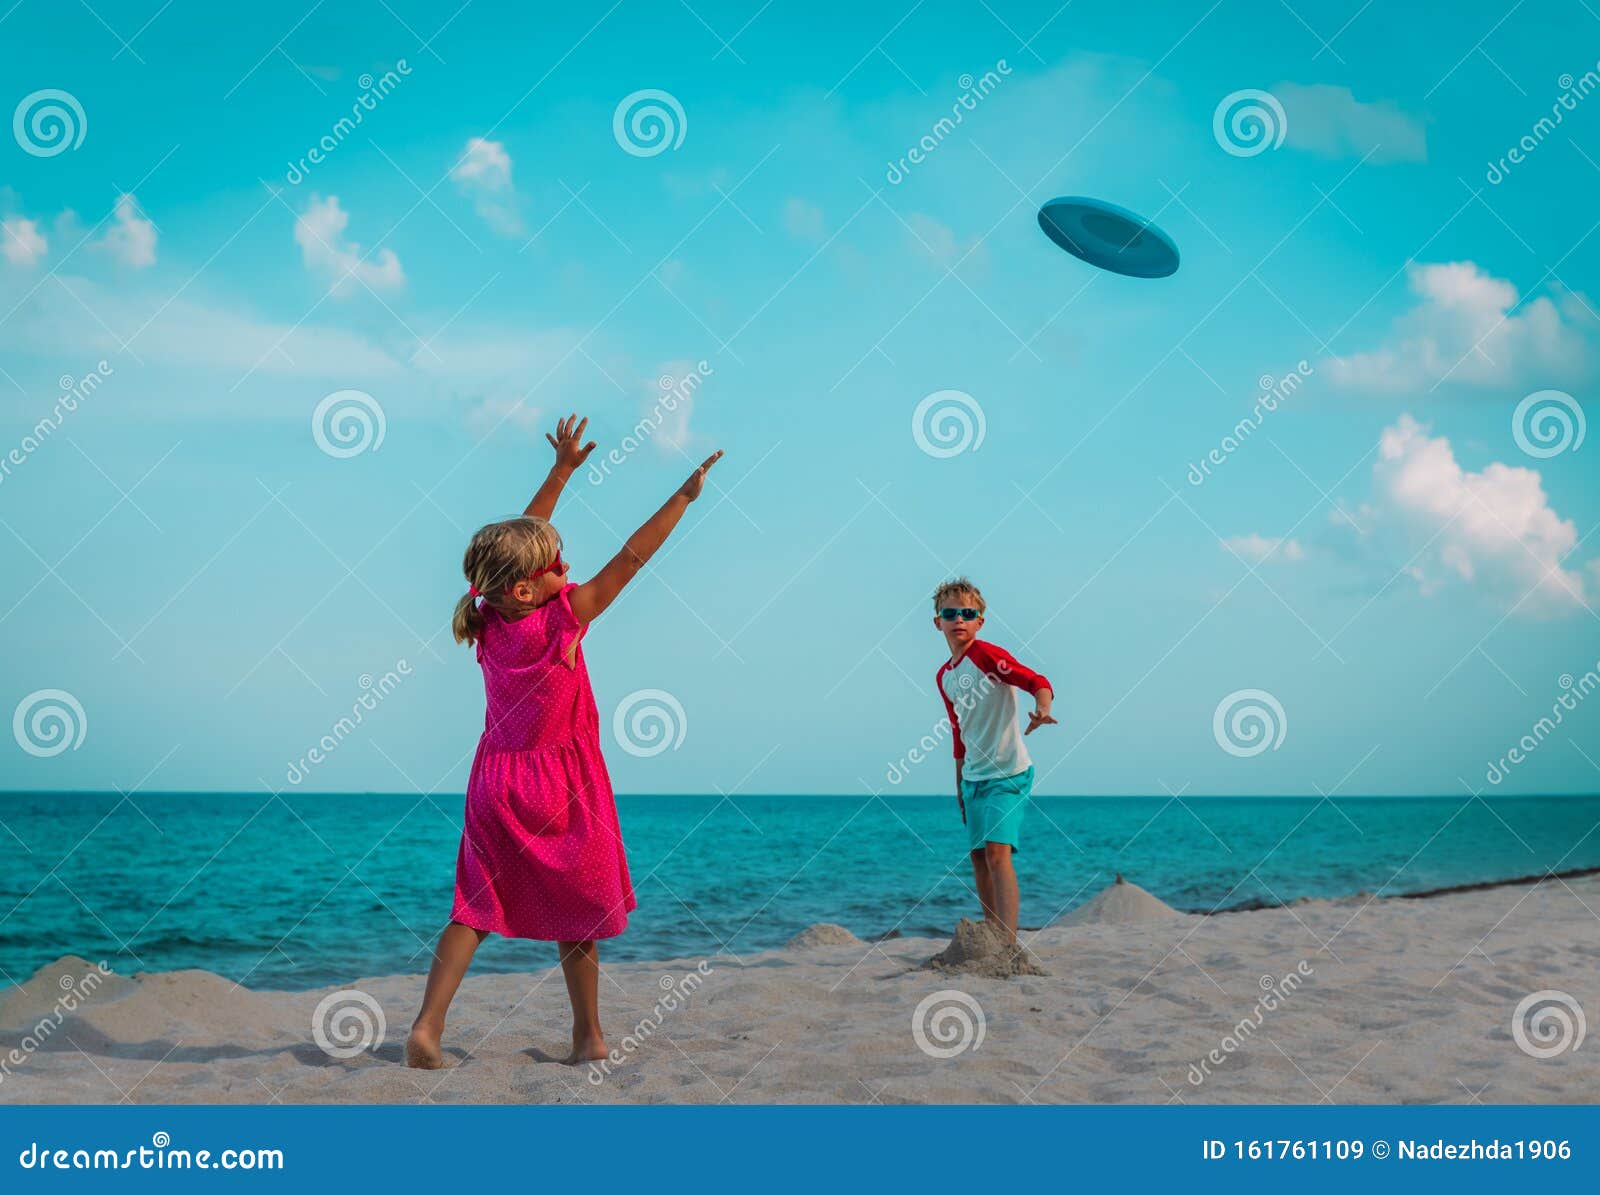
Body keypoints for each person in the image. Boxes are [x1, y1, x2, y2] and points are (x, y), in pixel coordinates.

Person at [406, 415, 723, 1068]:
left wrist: (562, 472)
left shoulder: (490, 617)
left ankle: (427, 1028)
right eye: (556, 566)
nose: (567, 568)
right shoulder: (562, 621)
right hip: (561, 785)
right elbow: (631, 558)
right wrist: (683, 499)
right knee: (580, 912)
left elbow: (519, 543)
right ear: (528, 587)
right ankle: (589, 1036)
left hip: (494, 782)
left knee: (473, 906)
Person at [932, 578, 1056, 942]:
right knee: (978, 858)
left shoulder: (986, 655)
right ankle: (991, 934)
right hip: (973, 779)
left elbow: (1035, 680)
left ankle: (1008, 942)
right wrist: (959, 786)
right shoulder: (944, 676)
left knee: (999, 853)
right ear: (937, 621)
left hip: (1008, 774)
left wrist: (1042, 709)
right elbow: (959, 734)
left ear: (979, 621)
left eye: (968, 613)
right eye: (950, 612)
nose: (959, 619)